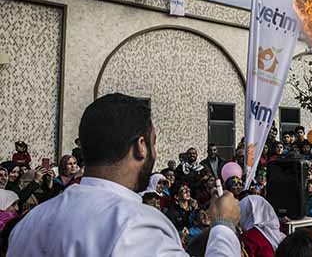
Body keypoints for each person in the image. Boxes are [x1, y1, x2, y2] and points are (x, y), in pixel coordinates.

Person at [8, 93, 240, 256]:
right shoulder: (137, 226)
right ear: (141, 146)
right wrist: (224, 226)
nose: (155, 153)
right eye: (154, 143)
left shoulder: (30, 222)